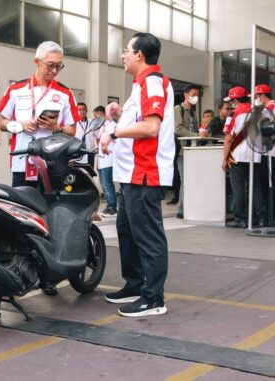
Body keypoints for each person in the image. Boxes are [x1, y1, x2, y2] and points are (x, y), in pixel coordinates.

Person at [100, 32, 175, 317]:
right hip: (131, 173)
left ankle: (154, 298)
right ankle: (135, 284)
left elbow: (151, 128)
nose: (123, 55)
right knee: (127, 231)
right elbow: (138, 122)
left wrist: (113, 132)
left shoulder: (153, 83)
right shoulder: (140, 85)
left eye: (126, 50)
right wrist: (119, 116)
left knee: (147, 235)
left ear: (139, 55)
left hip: (146, 172)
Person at [0, 40, 78, 188]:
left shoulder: (65, 93)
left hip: (53, 165)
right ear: (37, 61)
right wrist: (20, 125)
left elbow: (72, 131)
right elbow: (2, 124)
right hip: (22, 163)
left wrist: (56, 127)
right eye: (50, 65)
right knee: (23, 210)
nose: (54, 70)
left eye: (59, 66)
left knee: (52, 210)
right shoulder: (15, 89)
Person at [221, 86, 266, 228]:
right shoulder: (259, 111)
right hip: (255, 153)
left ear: (235, 100)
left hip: (238, 155)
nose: (231, 104)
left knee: (238, 187)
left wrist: (224, 158)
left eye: (231, 101)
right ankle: (261, 218)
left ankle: (240, 219)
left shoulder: (234, 113)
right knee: (256, 186)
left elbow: (228, 138)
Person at [174, 84, 207, 219]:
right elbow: (177, 129)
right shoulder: (178, 109)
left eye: (198, 95)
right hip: (181, 151)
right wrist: (195, 135)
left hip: (192, 150)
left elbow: (194, 129)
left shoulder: (193, 112)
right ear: (186, 95)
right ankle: (181, 209)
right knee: (185, 180)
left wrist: (201, 133)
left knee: (188, 180)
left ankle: (183, 208)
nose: (196, 98)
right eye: (194, 95)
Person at [254, 83, 275, 223]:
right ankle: (273, 215)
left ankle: (272, 216)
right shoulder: (272, 107)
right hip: (271, 151)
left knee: (269, 184)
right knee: (271, 183)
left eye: (257, 96)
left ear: (262, 96)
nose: (256, 99)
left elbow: (261, 126)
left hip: (270, 151)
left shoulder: (271, 108)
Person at [98, 102, 120, 217]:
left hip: (109, 159)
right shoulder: (103, 126)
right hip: (102, 160)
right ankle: (109, 206)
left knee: (107, 184)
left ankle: (112, 208)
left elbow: (113, 139)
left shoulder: (112, 125)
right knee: (103, 184)